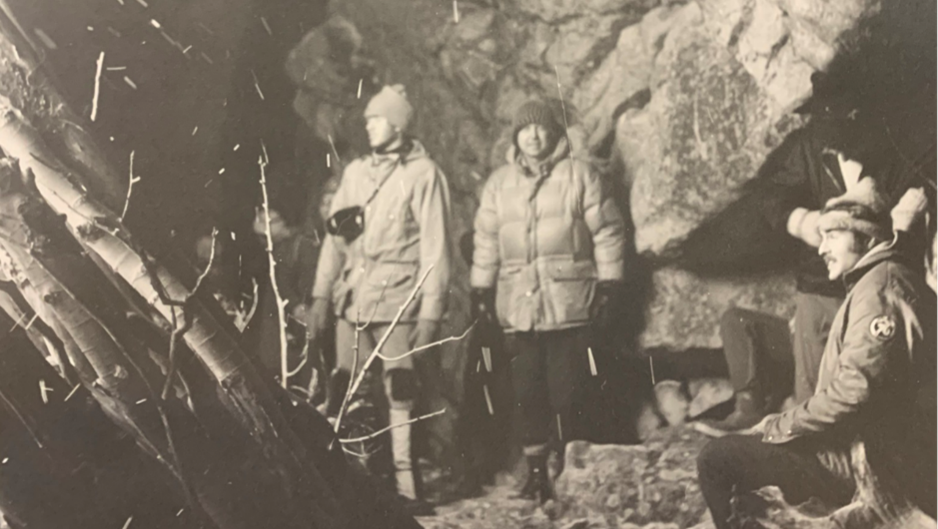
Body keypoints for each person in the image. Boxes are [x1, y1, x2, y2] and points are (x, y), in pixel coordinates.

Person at [696, 177, 938, 528]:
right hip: (867, 455)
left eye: (833, 236)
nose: (822, 248)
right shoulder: (878, 282)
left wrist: (778, 425)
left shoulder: (879, 291)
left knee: (716, 459)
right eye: (821, 237)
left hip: (870, 468)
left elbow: (854, 392)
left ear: (867, 236)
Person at [697, 73, 925, 434]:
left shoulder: (891, 146)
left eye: (846, 115)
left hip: (874, 276)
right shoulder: (808, 147)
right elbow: (771, 196)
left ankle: (812, 434)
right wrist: (801, 221)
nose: (834, 125)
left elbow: (917, 192)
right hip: (821, 280)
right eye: (826, 115)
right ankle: (775, 420)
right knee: (795, 341)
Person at [470, 99, 627, 503]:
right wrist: (481, 291)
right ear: (515, 137)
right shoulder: (499, 184)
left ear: (554, 132)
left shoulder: (580, 175)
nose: (533, 136)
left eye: (540, 128)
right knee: (526, 392)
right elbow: (486, 241)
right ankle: (537, 472)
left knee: (568, 392)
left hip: (569, 304)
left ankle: (569, 470)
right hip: (519, 307)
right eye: (525, 130)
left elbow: (608, 231)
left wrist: (611, 284)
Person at [305, 84, 452, 514]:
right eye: (368, 119)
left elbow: (436, 249)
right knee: (344, 387)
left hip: (398, 299)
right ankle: (345, 485)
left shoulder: (424, 175)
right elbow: (335, 240)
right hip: (353, 298)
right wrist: (320, 295)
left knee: (400, 389)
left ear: (398, 125)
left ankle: (407, 488)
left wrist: (430, 313)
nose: (369, 126)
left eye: (378, 119)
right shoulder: (356, 174)